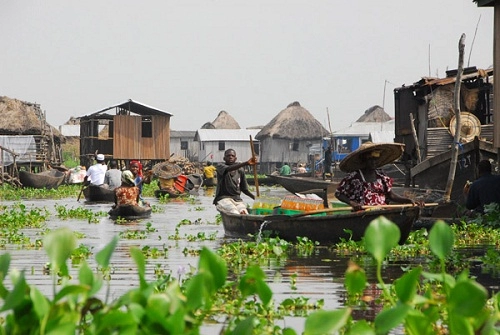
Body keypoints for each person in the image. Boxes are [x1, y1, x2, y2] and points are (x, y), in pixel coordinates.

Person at [335, 142, 418, 211]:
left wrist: (408, 200)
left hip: (381, 211)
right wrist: (352, 203)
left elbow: (391, 195)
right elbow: (339, 194)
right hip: (363, 212)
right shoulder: (354, 177)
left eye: (375, 159)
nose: (374, 162)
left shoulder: (381, 176)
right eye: (370, 159)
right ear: (364, 160)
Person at [213, 148, 257, 214]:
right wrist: (246, 163)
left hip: (237, 200)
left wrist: (256, 198)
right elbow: (228, 169)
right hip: (223, 199)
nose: (230, 157)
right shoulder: (220, 167)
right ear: (224, 158)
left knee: (244, 212)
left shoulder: (240, 170)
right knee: (234, 211)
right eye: (228, 156)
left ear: (235, 158)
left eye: (232, 156)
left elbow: (244, 189)